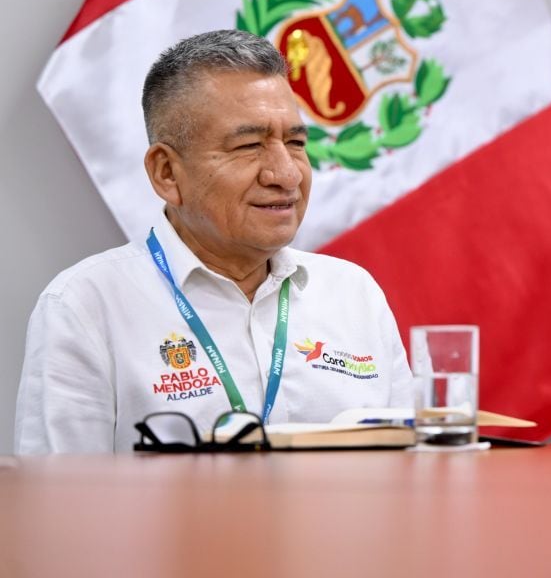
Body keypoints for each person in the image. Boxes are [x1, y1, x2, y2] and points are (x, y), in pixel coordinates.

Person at [15, 30, 413, 453]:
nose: (286, 174)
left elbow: (414, 472)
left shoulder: (353, 293)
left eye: (295, 143)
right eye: (248, 146)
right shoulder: (86, 305)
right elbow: (58, 502)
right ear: (167, 173)